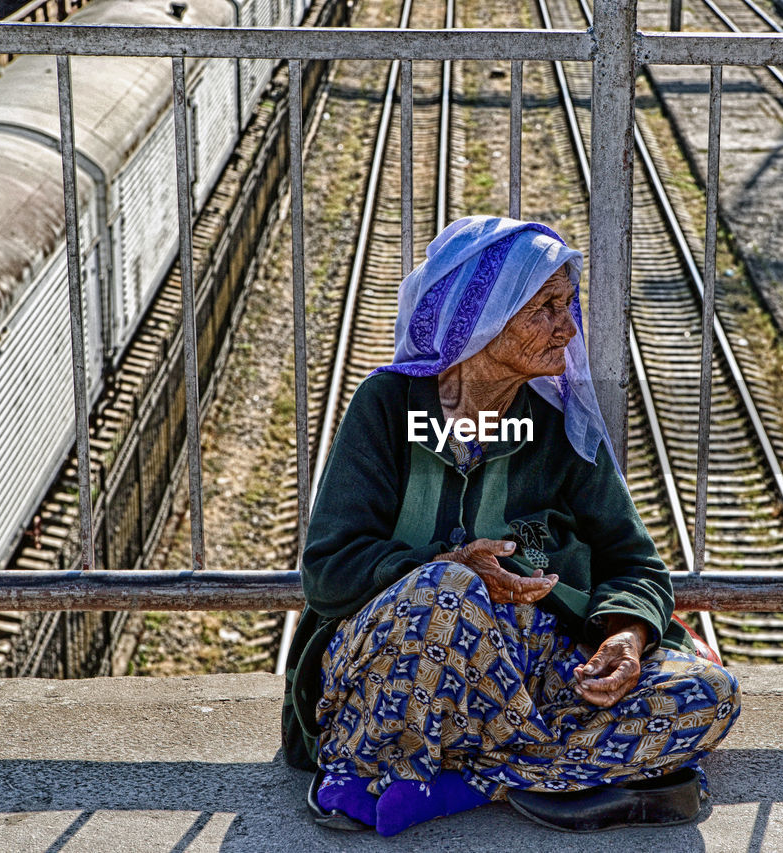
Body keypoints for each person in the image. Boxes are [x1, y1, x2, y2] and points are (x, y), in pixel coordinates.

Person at [281, 216, 741, 837]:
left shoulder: (559, 423)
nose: (568, 327)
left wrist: (627, 636)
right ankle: (574, 774)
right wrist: (447, 568)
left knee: (708, 692)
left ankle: (458, 780)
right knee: (448, 591)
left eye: (567, 304)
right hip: (396, 666)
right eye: (545, 307)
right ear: (484, 315)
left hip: (526, 677)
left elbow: (635, 564)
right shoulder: (387, 408)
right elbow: (329, 571)